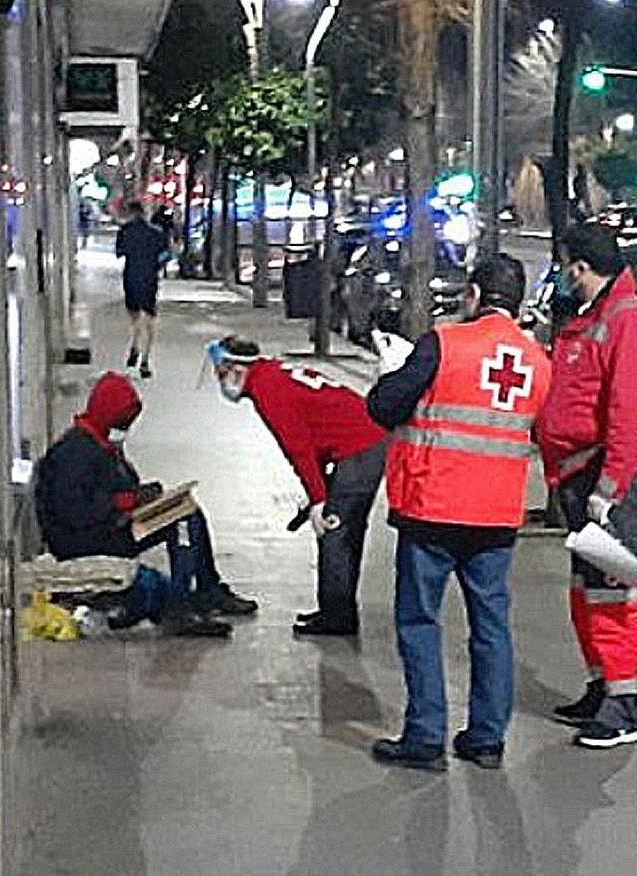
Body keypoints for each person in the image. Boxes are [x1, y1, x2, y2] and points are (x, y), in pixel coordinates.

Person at [363, 256, 551, 771]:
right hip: (497, 515)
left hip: (434, 507)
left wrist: (390, 374)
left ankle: (425, 736)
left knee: (420, 620)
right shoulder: (538, 362)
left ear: (473, 294)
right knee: (491, 625)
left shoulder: (445, 344)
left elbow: (383, 407)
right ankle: (487, 738)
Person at [536, 224, 637, 749]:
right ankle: (602, 686)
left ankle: (623, 705)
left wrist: (610, 486)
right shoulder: (600, 317)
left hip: (600, 479)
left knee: (613, 592)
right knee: (588, 590)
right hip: (578, 474)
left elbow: (630, 413)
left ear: (578, 266)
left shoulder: (629, 321)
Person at [35, 371, 259, 637]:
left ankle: (207, 588)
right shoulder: (73, 454)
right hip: (84, 539)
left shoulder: (101, 443)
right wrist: (125, 502)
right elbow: (73, 509)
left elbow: (113, 489)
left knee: (188, 512)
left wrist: (143, 497)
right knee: (181, 524)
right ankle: (179, 606)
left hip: (108, 526)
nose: (125, 430)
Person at [209, 336, 387, 637]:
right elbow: (312, 440)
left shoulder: (268, 390)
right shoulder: (271, 373)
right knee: (343, 532)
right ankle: (336, 610)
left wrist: (319, 500)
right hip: (362, 443)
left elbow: (299, 448)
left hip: (360, 449)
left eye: (221, 371)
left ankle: (337, 618)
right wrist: (317, 492)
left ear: (238, 369)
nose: (218, 378)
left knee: (335, 533)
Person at [115, 200, 170, 378]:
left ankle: (135, 344)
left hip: (131, 277)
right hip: (150, 278)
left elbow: (119, 252)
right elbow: (166, 254)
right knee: (150, 318)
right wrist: (156, 264)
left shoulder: (125, 231)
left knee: (134, 316)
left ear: (131, 213)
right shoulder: (156, 233)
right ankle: (145, 360)